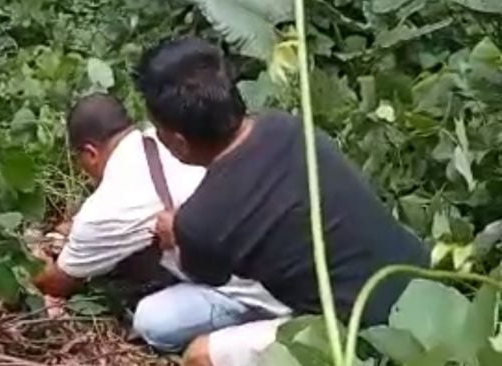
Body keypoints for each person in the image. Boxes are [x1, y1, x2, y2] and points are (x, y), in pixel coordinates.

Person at [134, 36, 430, 366]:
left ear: (178, 141)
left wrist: (175, 233)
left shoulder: (200, 221)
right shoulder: (285, 125)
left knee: (199, 355)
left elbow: (212, 277)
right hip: (422, 286)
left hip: (357, 331)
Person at [31, 93, 290, 353]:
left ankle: (261, 330)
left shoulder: (108, 204)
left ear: (90, 153)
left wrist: (33, 257)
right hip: (282, 253)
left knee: (152, 322)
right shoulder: (169, 139)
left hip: (266, 295)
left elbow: (56, 283)